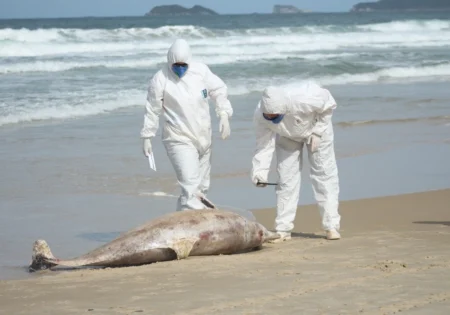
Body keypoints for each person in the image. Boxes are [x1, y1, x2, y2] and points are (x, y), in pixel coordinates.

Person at [140, 38, 233, 211]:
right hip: (178, 137)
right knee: (190, 187)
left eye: (184, 64)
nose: (180, 68)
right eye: (176, 65)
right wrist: (147, 135)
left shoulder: (201, 71)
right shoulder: (160, 79)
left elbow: (219, 90)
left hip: (204, 136)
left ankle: (181, 223)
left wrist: (224, 114)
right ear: (169, 61)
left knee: (201, 187)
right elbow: (152, 109)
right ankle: (195, 230)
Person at [250, 80, 341, 242]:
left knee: (324, 175)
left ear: (284, 109)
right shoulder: (260, 115)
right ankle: (283, 229)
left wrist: (318, 132)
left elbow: (329, 106)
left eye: (275, 116)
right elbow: (263, 144)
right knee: (286, 180)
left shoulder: (306, 96)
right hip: (287, 136)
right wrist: (259, 172)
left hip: (315, 129)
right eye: (268, 116)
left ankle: (331, 226)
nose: (270, 118)